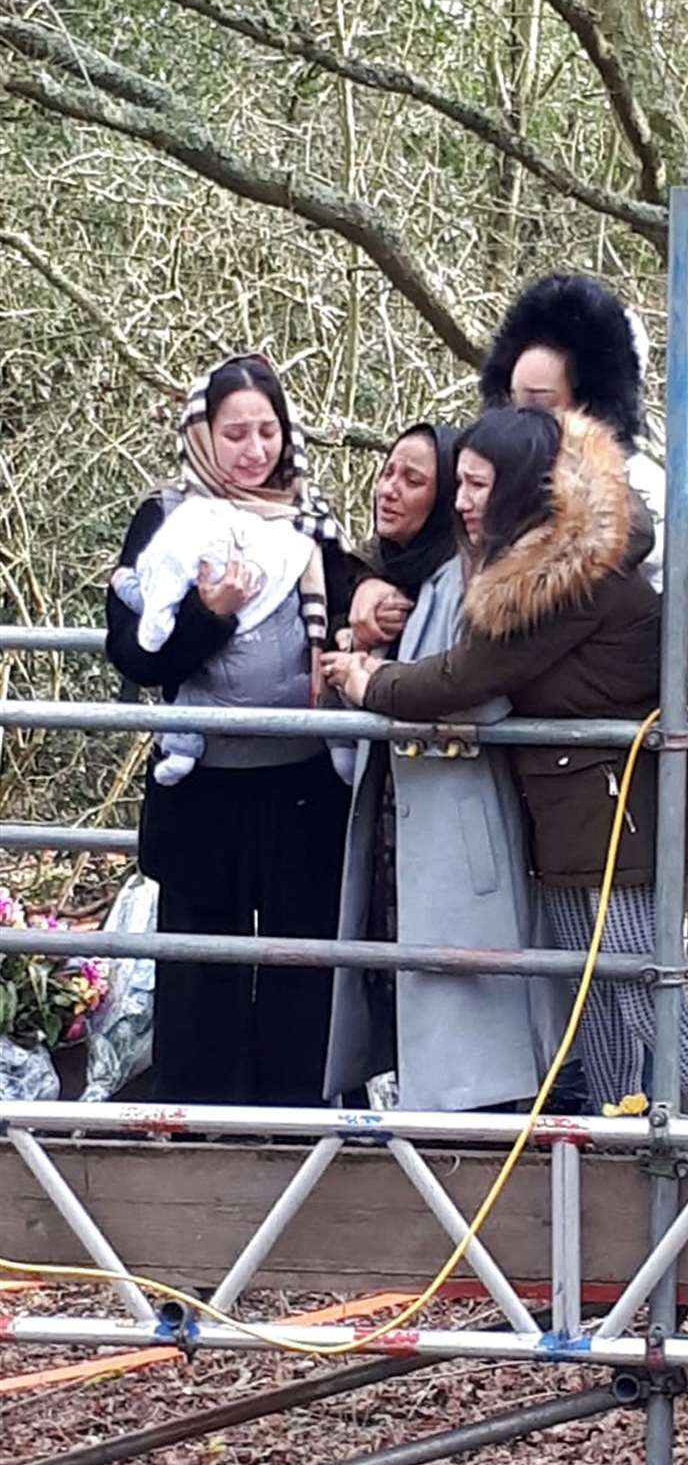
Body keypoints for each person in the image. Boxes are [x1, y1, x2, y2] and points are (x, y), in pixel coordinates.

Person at [324, 406, 688, 1123]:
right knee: (601, 1006)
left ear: (522, 489)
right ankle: (623, 1151)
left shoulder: (557, 579)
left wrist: (370, 681)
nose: (461, 502)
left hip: (615, 819)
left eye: (478, 486)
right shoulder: (551, 559)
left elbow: (462, 678)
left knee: (643, 997)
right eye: (459, 485)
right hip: (577, 814)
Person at [105, 353, 356, 1107]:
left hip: (302, 787)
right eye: (235, 432)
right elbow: (132, 653)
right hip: (205, 789)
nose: (254, 450)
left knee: (301, 963)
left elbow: (352, 615)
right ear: (203, 436)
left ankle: (296, 1122)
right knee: (200, 966)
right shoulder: (165, 518)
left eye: (267, 431)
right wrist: (210, 616)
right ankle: (199, 1124)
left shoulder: (315, 525)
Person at [324, 421, 562, 1113]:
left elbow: (472, 693)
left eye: (422, 478)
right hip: (414, 825)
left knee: (480, 1034)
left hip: (462, 829)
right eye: (389, 471)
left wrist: (371, 678)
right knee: (422, 1005)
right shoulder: (422, 582)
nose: (391, 489)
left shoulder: (494, 582)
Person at [111, 496, 316, 784]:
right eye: (234, 445)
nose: (255, 452)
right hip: (199, 779)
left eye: (269, 445)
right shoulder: (166, 512)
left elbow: (340, 621)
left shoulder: (310, 517)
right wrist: (209, 616)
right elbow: (134, 659)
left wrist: (371, 596)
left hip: (305, 776)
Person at [480, 273, 666, 588]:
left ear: (587, 405)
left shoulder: (643, 490)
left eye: (540, 402)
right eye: (513, 400)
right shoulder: (481, 477)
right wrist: (370, 578)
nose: (520, 418)